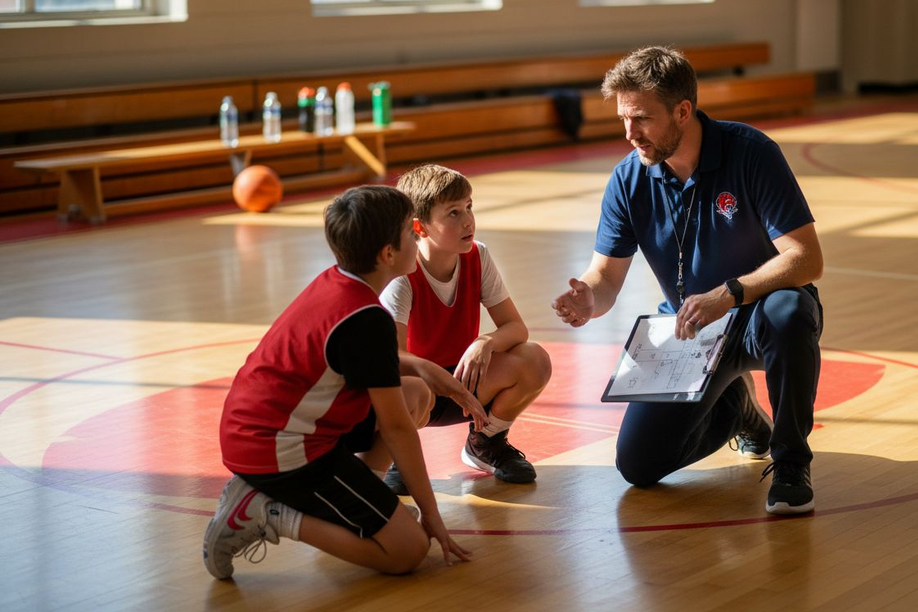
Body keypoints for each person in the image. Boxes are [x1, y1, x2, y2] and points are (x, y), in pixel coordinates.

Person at [551, 46, 824, 515]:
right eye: (622, 119)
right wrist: (589, 298)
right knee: (638, 466)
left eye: (640, 119)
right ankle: (737, 409)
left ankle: (790, 461)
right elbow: (607, 275)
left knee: (792, 312)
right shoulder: (628, 178)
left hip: (756, 309)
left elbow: (806, 258)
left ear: (683, 110)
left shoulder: (752, 153)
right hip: (688, 326)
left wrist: (730, 293)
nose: (629, 133)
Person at [203, 185, 481, 580]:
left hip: (264, 430)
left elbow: (354, 357)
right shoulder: (367, 320)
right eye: (409, 232)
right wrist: (431, 514)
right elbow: (398, 428)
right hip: (277, 449)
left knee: (415, 391)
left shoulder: (339, 282)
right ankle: (267, 511)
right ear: (388, 254)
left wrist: (420, 366)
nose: (417, 236)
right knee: (408, 550)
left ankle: (354, 498)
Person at [380, 164, 552, 489]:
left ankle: (485, 443)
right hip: (419, 394)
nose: (468, 220)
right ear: (420, 227)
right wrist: (444, 382)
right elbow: (393, 360)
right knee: (399, 383)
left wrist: (485, 341)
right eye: (454, 213)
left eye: (469, 207)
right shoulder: (403, 273)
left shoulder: (477, 256)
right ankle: (395, 454)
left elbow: (516, 328)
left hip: (464, 384)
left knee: (533, 359)